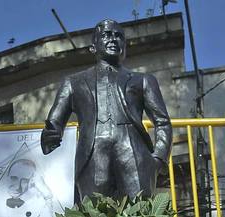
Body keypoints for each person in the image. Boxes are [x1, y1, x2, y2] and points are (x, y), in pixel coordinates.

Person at [41, 19, 172, 201]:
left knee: (140, 216)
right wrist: (50, 135)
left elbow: (163, 122)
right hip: (92, 153)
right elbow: (55, 121)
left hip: (134, 151)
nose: (113, 39)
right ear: (93, 47)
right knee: (93, 215)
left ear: (124, 46)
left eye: (118, 36)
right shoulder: (73, 82)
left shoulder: (143, 80)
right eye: (106, 35)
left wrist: (157, 159)